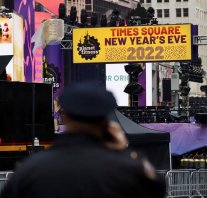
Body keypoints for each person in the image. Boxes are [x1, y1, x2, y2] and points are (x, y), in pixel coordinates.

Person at [1, 83, 165, 198]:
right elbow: (157, 188)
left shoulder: (30, 170)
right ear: (106, 120)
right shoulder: (128, 170)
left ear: (65, 116)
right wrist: (124, 151)